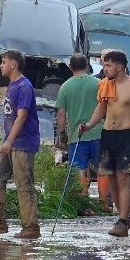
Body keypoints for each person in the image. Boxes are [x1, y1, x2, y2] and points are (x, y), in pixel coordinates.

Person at [80, 50, 130, 237]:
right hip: (107, 135)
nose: (105, 69)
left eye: (108, 65)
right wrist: (88, 126)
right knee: (111, 179)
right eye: (104, 65)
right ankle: (122, 217)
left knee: (123, 177)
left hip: (126, 136)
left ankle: (123, 220)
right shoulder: (105, 85)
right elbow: (100, 109)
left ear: (119, 66)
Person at [0, 50, 42, 239]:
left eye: (4, 62)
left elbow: (22, 116)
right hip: (10, 141)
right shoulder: (11, 85)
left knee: (24, 183)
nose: (0, 65)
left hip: (23, 143)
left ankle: (31, 227)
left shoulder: (24, 86)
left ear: (13, 64)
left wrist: (9, 141)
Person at [56, 54, 107, 208]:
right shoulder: (99, 83)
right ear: (87, 66)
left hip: (76, 136)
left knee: (79, 169)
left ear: (70, 67)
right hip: (99, 133)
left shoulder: (65, 87)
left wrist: (62, 134)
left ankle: (82, 203)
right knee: (102, 169)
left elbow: (61, 115)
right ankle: (104, 203)